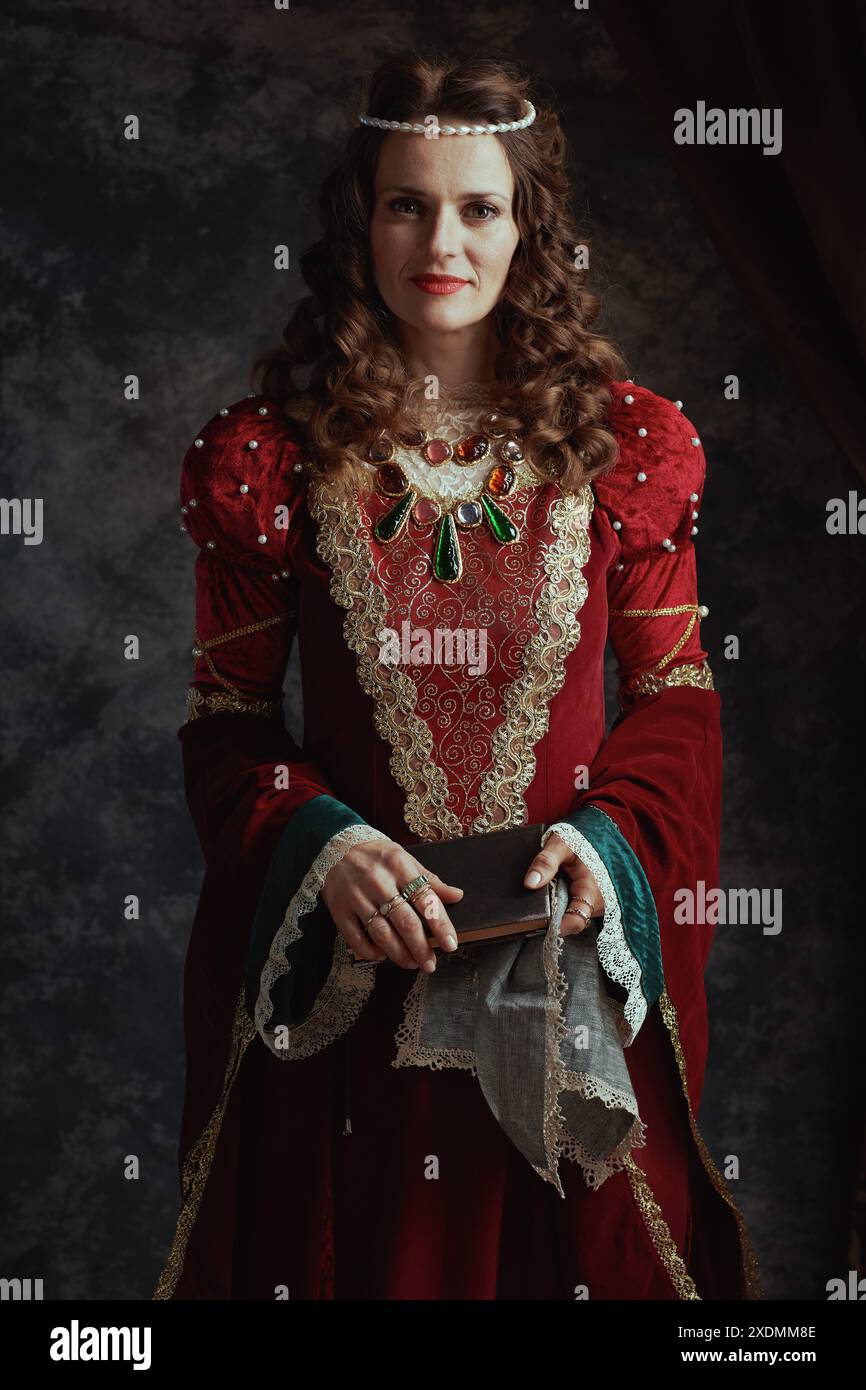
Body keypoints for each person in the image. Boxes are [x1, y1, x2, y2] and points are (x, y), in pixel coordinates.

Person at [153, 51, 762, 1301]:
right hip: (355, 1008)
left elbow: (679, 699)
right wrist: (322, 843)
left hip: (559, 986)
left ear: (524, 226)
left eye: (478, 206)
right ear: (358, 219)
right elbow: (225, 725)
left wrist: (605, 844)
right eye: (406, 202)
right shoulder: (273, 460)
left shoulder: (624, 447)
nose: (443, 238)